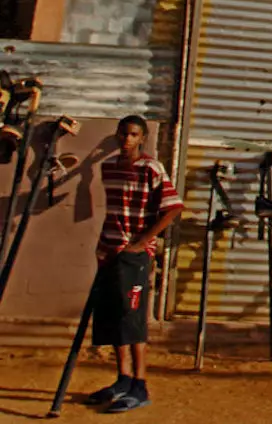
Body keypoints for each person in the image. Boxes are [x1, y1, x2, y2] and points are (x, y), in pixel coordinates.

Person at [87, 115, 183, 414]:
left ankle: (139, 386)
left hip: (135, 256)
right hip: (108, 250)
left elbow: (173, 208)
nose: (127, 139)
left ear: (142, 138)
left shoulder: (152, 168)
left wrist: (143, 242)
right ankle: (123, 379)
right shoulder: (108, 167)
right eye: (123, 134)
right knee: (113, 317)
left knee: (133, 319)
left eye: (133, 135)